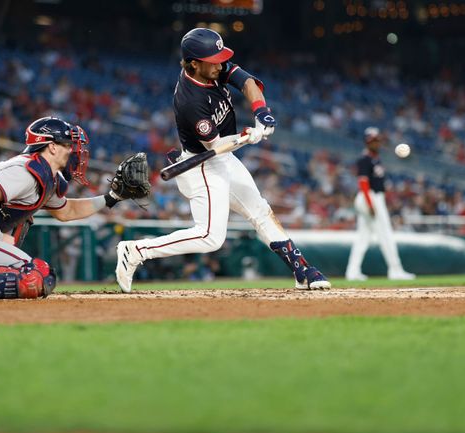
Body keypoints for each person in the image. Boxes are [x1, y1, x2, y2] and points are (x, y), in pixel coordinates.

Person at [115, 28, 330, 292]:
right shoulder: (189, 101)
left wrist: (261, 112)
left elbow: (248, 82)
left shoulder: (212, 68)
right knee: (210, 238)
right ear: (194, 63)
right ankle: (135, 250)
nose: (220, 64)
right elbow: (215, 145)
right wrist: (246, 137)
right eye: (213, 60)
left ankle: (302, 270)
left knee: (260, 211)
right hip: (202, 165)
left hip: (224, 158)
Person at [0, 116, 146, 300]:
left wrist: (112, 197)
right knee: (36, 275)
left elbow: (66, 211)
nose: (74, 151)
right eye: (68, 145)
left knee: (32, 263)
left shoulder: (45, 174)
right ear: (51, 147)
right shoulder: (26, 170)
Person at [345, 127, 415, 281]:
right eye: (372, 140)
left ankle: (352, 272)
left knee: (363, 237)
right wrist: (371, 204)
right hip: (369, 197)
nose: (375, 143)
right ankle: (395, 270)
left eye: (377, 140)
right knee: (386, 235)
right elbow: (363, 182)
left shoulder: (376, 159)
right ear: (367, 142)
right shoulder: (365, 159)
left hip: (374, 197)